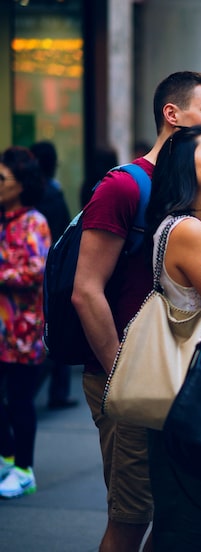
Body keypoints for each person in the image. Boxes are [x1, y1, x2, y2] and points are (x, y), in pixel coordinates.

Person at [71, 70, 201, 552]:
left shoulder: (199, 195)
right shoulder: (125, 186)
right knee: (132, 515)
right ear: (172, 115)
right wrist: (125, 373)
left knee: (177, 516)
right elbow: (86, 290)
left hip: (184, 382)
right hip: (135, 374)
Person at [141, 125, 201, 550]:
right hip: (194, 403)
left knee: (184, 522)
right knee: (193, 529)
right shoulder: (190, 231)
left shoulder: (187, 226)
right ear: (185, 167)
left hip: (186, 401)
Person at [0, 146, 50, 498]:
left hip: (22, 331)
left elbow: (36, 270)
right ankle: (7, 455)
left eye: (2, 178)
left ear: (21, 185)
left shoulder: (34, 221)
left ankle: (24, 468)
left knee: (20, 400)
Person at [29, 140, 76, 410]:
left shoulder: (37, 198)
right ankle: (56, 392)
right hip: (53, 270)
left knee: (47, 332)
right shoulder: (53, 193)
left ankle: (35, 390)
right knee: (53, 327)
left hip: (45, 272)